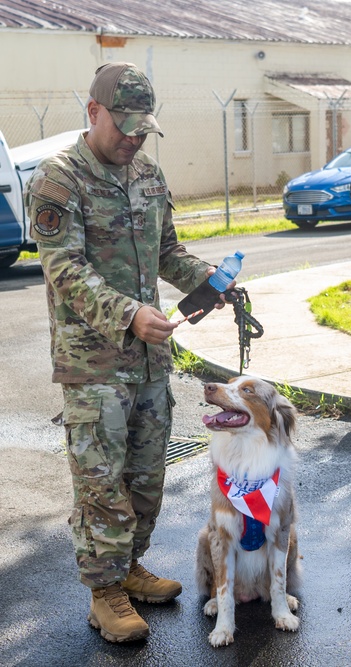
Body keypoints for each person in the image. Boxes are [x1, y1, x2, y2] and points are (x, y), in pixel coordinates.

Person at [26, 63, 227, 642]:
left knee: (144, 477)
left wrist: (209, 279)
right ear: (93, 112)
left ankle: (130, 567)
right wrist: (130, 315)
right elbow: (64, 269)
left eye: (143, 128)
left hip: (149, 362)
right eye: (124, 125)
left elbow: (168, 251)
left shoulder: (147, 173)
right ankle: (104, 591)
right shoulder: (59, 180)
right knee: (100, 483)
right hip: (94, 366)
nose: (134, 137)